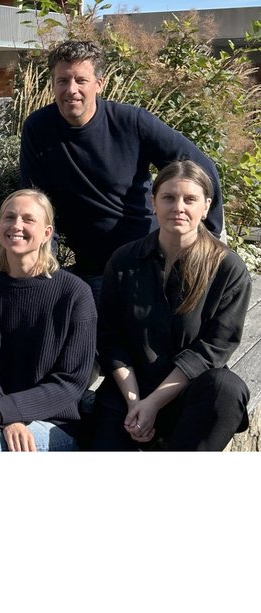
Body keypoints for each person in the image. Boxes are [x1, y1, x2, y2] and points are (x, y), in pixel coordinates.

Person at [20, 40, 225, 303]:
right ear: (53, 84)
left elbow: (201, 168)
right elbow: (37, 202)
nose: (71, 89)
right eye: (62, 81)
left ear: (99, 84)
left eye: (81, 80)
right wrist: (44, 265)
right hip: (93, 268)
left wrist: (209, 236)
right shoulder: (38, 128)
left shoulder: (131, 122)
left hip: (147, 261)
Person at [91, 161, 250, 451]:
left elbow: (213, 348)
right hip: (130, 389)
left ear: (206, 207)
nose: (179, 207)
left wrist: (154, 403)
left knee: (227, 389)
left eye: (190, 199)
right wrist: (136, 402)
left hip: (190, 394)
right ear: (153, 203)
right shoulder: (124, 260)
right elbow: (111, 339)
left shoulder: (228, 269)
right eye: (168, 197)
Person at [0, 189, 97, 452]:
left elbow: (71, 382)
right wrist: (6, 417)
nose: (16, 225)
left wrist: (6, 411)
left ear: (47, 233)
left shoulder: (74, 294)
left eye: (28, 219)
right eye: (9, 217)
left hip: (53, 424)